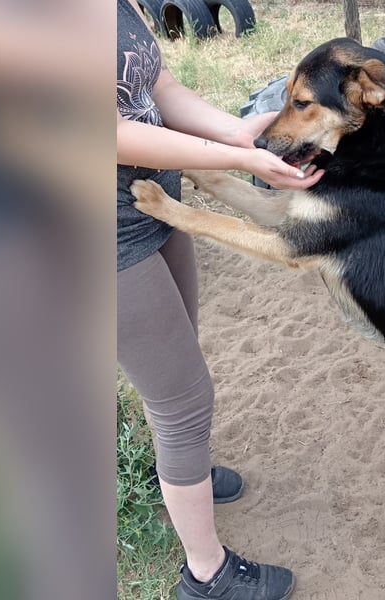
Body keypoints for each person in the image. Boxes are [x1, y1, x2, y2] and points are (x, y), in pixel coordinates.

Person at [116, 1, 323, 598]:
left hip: (146, 201)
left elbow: (160, 83)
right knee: (184, 401)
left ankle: (183, 476)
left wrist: (231, 129)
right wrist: (235, 157)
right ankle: (206, 576)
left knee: (175, 367)